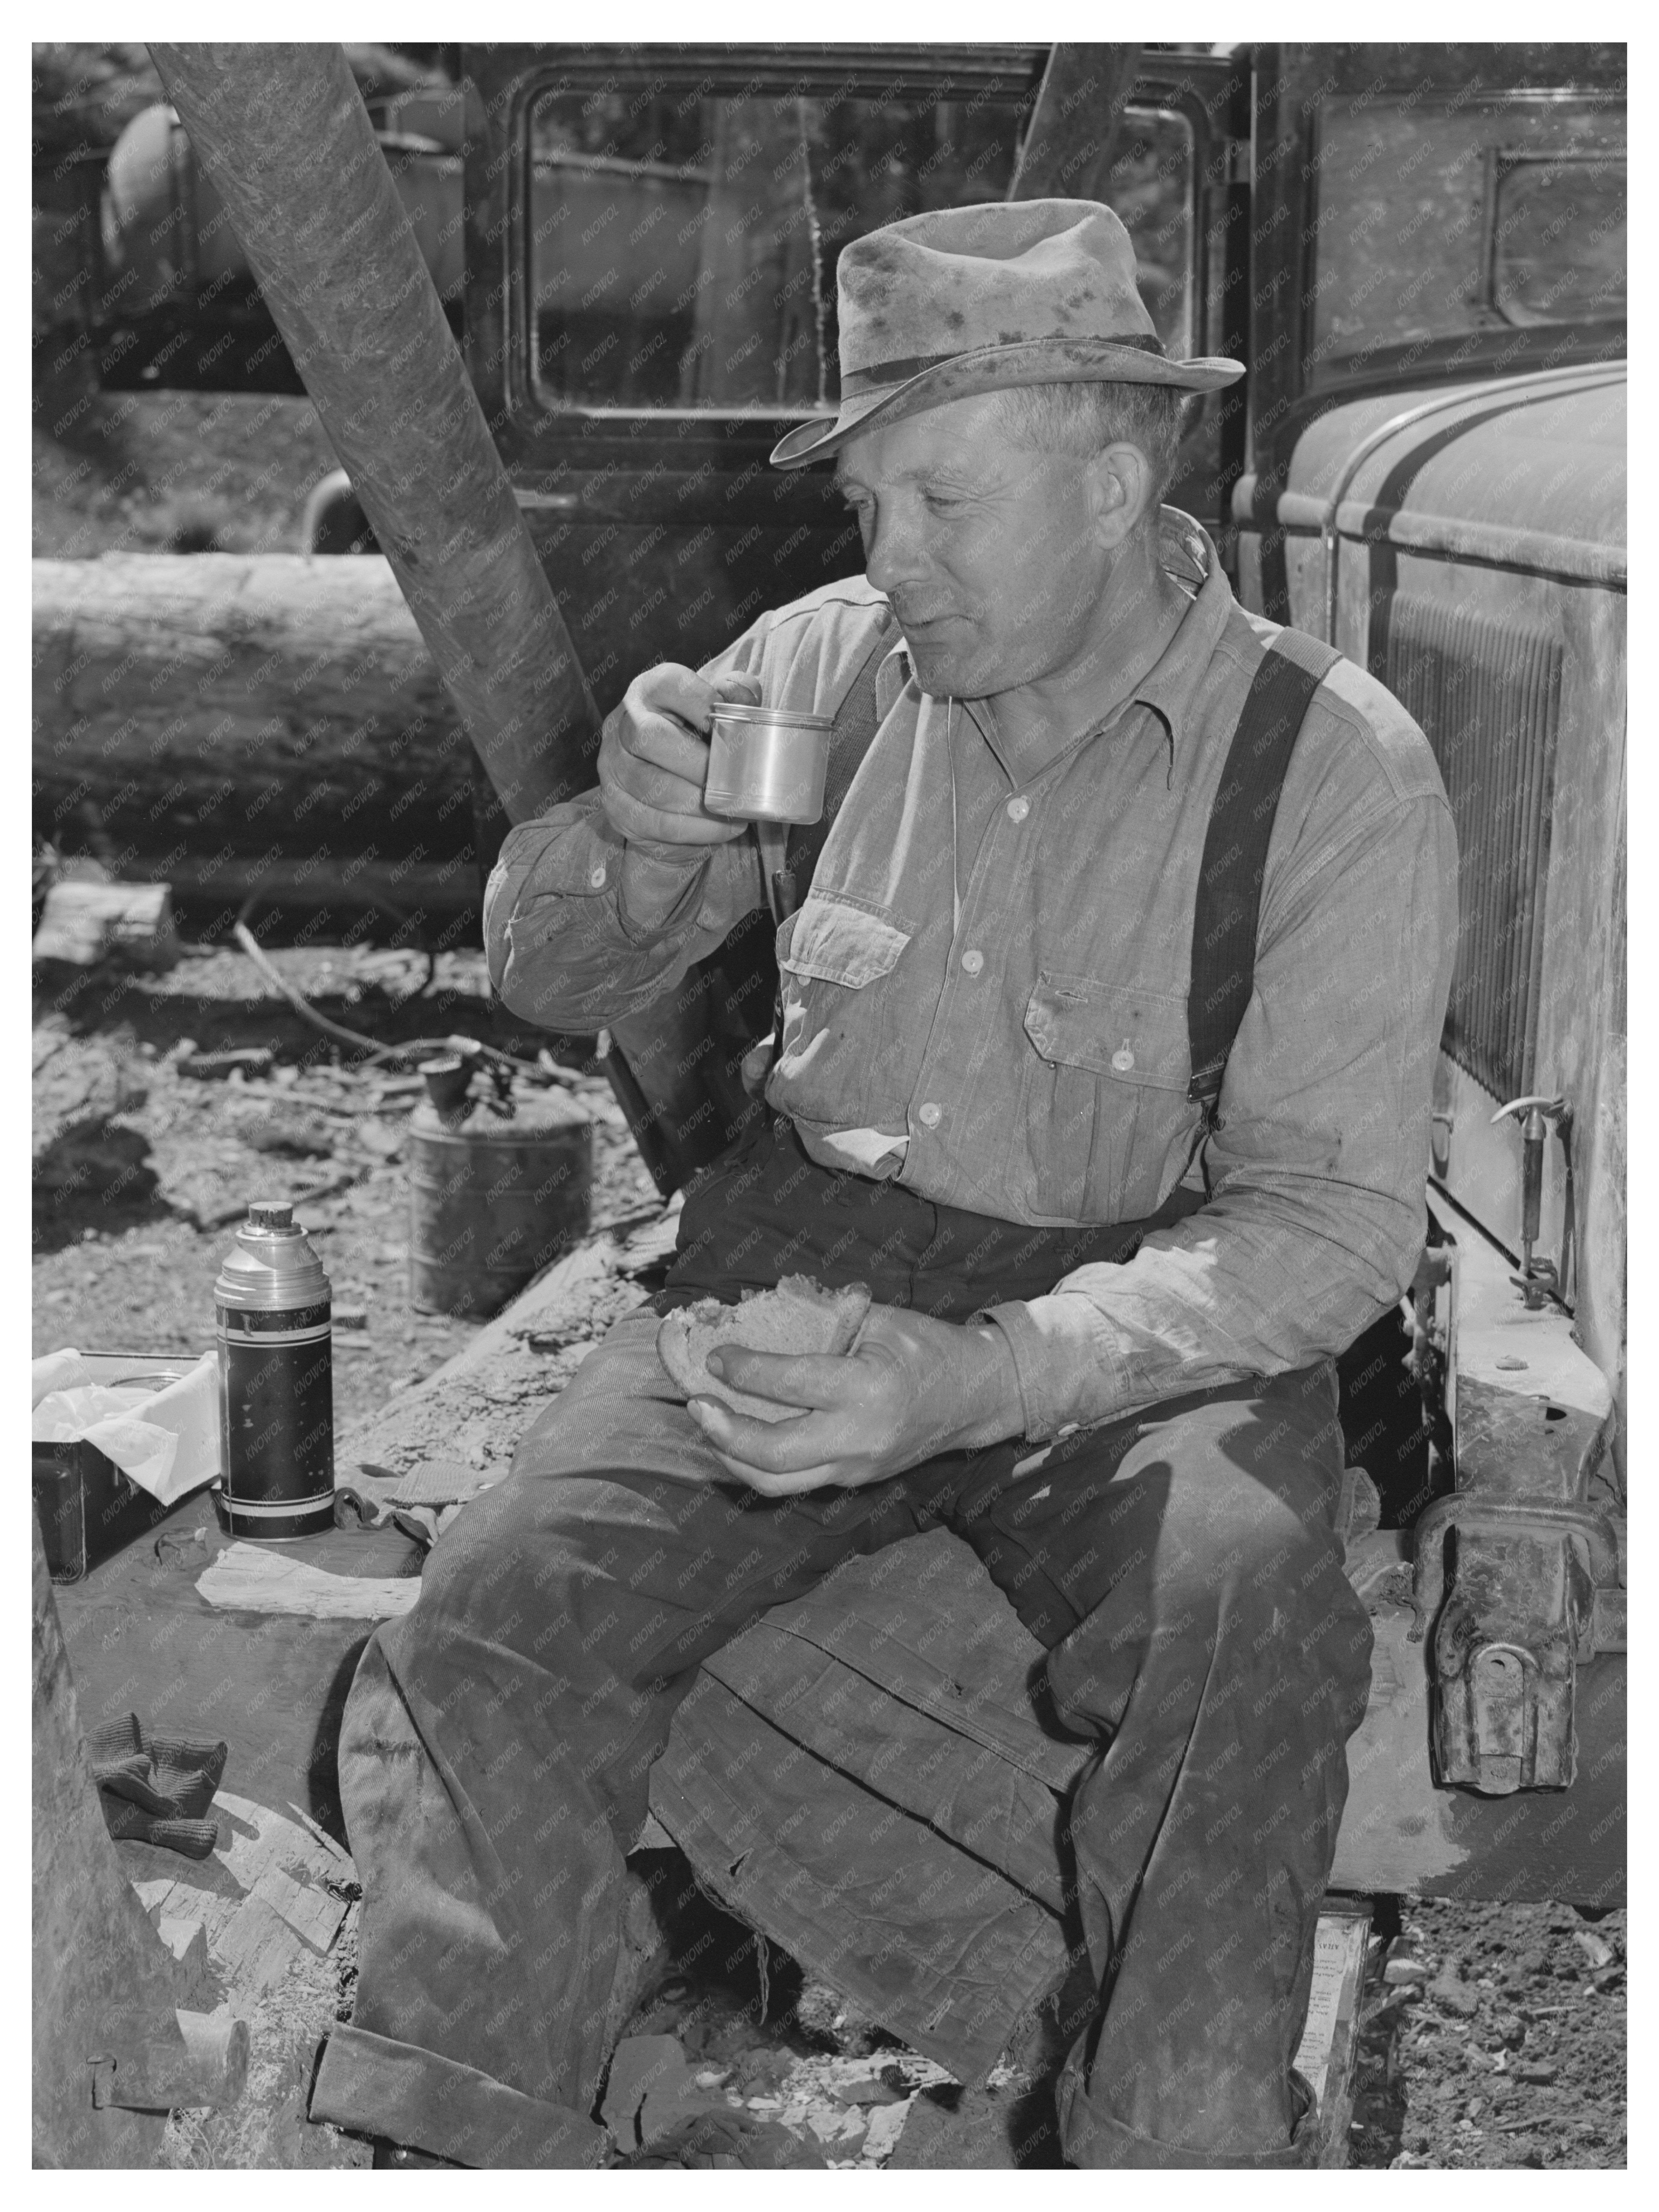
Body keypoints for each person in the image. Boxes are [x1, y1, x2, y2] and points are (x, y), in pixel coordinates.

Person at [311, 198, 1457, 2169]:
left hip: (1140, 1313)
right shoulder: (830, 671)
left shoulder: (1328, 767)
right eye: (867, 506)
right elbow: (549, 968)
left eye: (939, 498)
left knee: (1250, 1607)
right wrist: (641, 832)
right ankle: (463, 2134)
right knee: (507, 1605)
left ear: (1110, 482)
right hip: (805, 1261)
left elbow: (1331, 1225)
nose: (887, 559)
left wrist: (984, 1376)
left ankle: (1180, 2149)